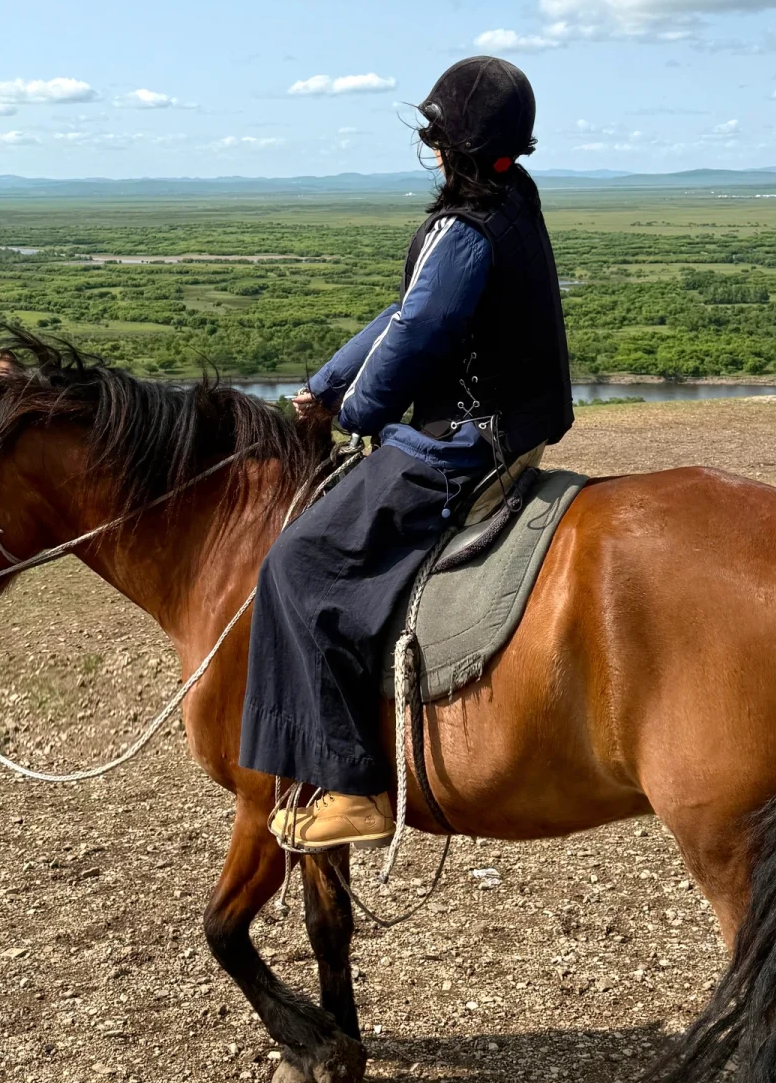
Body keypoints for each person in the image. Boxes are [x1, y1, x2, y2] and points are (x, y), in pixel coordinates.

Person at [239, 56, 574, 851]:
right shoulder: (511, 202)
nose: (428, 145)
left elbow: (420, 330)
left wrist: (356, 410)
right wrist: (326, 383)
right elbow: (408, 311)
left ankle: (352, 788)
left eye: (435, 134)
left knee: (297, 565)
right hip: (521, 428)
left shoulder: (463, 231)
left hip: (464, 444)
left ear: (453, 144)